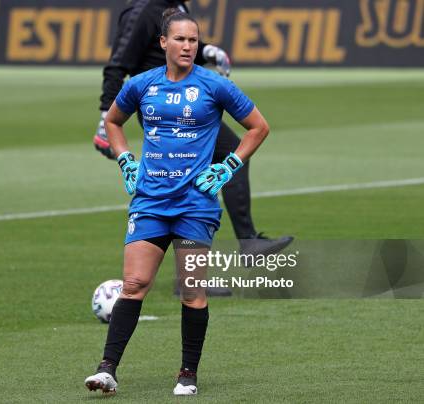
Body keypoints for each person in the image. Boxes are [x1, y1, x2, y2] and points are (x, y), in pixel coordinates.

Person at [85, 9, 271, 396]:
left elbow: (258, 126)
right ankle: (107, 370)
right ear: (164, 44)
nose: (189, 46)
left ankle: (187, 374)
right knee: (134, 283)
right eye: (181, 39)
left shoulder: (213, 86)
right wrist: (124, 159)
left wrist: (229, 165)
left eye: (193, 40)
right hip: (150, 200)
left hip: (195, 205)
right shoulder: (141, 85)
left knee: (192, 290)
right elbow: (114, 122)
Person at [92, 0, 293, 270]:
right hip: (158, 104)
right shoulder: (143, 10)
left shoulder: (174, 6)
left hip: (186, 98)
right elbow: (118, 63)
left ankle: (213, 259)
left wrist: (207, 50)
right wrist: (106, 116)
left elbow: (183, 47)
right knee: (192, 171)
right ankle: (235, 249)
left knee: (197, 170)